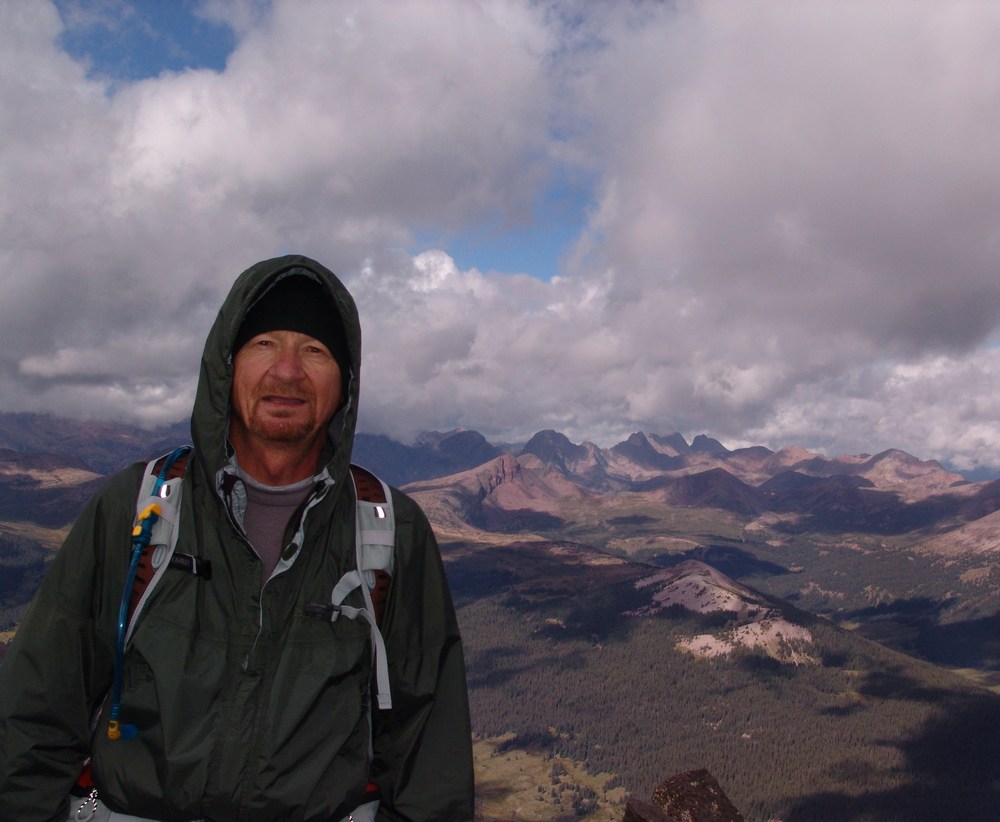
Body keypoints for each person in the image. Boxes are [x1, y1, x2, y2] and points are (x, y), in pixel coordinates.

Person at [0, 255, 475, 821]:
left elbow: (429, 754)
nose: (288, 372)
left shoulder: (393, 532)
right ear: (227, 366)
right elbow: (35, 711)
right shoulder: (137, 506)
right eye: (264, 344)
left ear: (344, 382)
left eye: (316, 351)